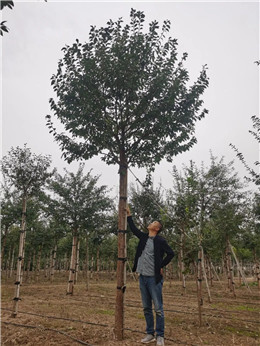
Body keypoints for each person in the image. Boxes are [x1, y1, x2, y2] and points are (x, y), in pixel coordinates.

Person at [126, 205, 174, 346]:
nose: (150, 223)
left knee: (158, 308)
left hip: (154, 279)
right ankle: (149, 334)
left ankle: (160, 335)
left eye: (153, 222)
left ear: (157, 228)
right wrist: (129, 215)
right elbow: (133, 229)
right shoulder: (144, 237)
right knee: (146, 307)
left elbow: (171, 253)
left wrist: (161, 266)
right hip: (143, 277)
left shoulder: (160, 241)